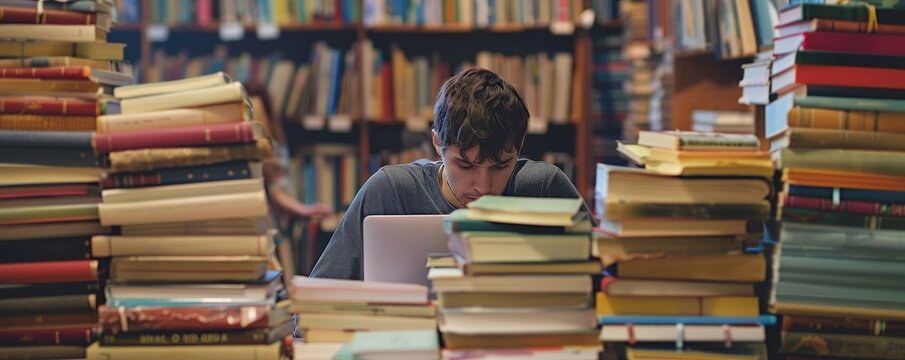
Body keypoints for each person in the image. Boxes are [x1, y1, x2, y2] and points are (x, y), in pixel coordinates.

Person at [310, 68, 592, 280]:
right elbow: (315, 305)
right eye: (465, 165)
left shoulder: (545, 188)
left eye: (501, 166)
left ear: (519, 149)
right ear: (437, 144)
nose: (483, 187)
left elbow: (603, 284)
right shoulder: (391, 191)